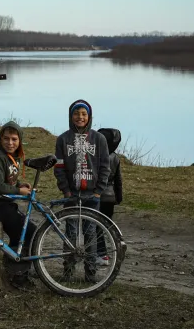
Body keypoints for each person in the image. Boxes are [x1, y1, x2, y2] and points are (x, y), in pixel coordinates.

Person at [53, 99, 110, 282]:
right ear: (71, 116)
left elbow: (105, 166)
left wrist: (98, 191)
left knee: (90, 234)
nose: (80, 117)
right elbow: (59, 167)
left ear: (89, 116)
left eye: (84, 114)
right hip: (71, 195)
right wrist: (66, 191)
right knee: (70, 233)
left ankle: (90, 274)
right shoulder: (63, 139)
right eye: (76, 114)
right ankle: (68, 272)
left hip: (91, 195)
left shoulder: (99, 139)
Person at [0, 120, 37, 289]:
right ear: (0, 139)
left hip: (6, 206)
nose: (10, 142)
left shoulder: (12, 158)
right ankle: (18, 275)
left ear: (19, 140)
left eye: (14, 139)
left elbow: (10, 180)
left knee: (23, 234)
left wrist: (20, 185)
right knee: (28, 232)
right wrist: (18, 192)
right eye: (6, 139)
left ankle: (15, 269)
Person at [95, 128, 123, 266]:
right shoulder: (116, 158)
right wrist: (119, 197)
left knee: (96, 227)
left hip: (99, 195)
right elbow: (118, 180)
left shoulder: (98, 156)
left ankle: (101, 254)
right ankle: (112, 250)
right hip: (110, 197)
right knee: (106, 226)